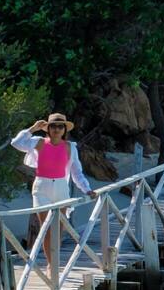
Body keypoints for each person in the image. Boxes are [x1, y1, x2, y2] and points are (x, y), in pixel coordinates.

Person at [10, 113, 98, 270]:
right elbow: (16, 143)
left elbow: (77, 173)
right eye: (53, 126)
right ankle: (51, 266)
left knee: (58, 231)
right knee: (46, 229)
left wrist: (87, 189)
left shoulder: (70, 147)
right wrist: (32, 128)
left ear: (64, 129)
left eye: (60, 126)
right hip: (41, 188)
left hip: (61, 188)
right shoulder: (38, 142)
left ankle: (55, 262)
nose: (57, 129)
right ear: (48, 129)